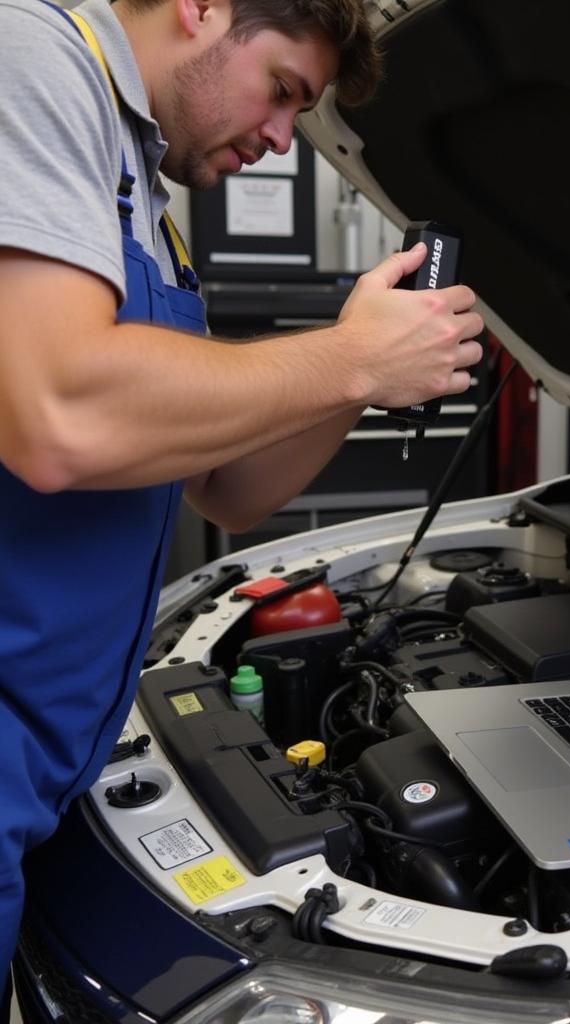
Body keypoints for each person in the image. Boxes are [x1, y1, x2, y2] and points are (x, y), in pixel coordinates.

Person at [0, 0, 485, 992]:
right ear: (203, 8)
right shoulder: (32, 57)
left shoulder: (143, 211)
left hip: (39, 768)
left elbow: (234, 488)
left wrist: (367, 363)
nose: (277, 140)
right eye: (282, 94)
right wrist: (347, 357)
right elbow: (61, 420)